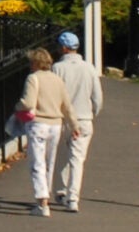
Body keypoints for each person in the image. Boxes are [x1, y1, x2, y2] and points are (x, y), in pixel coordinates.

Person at [13, 47, 76, 217]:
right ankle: (45, 197)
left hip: (38, 124)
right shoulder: (57, 80)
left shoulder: (33, 78)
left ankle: (42, 202)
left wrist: (17, 107)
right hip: (55, 124)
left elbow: (28, 103)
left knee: (37, 163)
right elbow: (67, 106)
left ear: (35, 62)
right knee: (49, 162)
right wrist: (74, 125)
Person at [50, 30, 104, 212]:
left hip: (63, 118)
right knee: (77, 159)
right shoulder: (89, 68)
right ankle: (73, 197)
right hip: (83, 118)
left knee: (61, 155)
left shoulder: (57, 68)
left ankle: (61, 189)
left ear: (64, 48)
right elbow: (97, 97)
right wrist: (92, 112)